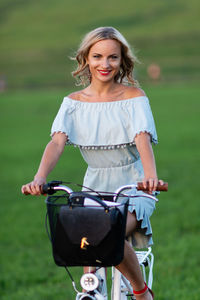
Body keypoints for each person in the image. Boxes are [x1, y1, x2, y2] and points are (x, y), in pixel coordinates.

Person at [22, 26, 164, 299]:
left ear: (122, 60)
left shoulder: (134, 97)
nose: (105, 64)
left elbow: (142, 139)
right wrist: (39, 177)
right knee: (86, 241)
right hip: (94, 186)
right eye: (97, 56)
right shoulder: (73, 103)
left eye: (113, 57)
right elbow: (56, 143)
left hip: (133, 186)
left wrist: (150, 178)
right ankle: (92, 290)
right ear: (86, 58)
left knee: (109, 232)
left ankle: (141, 292)